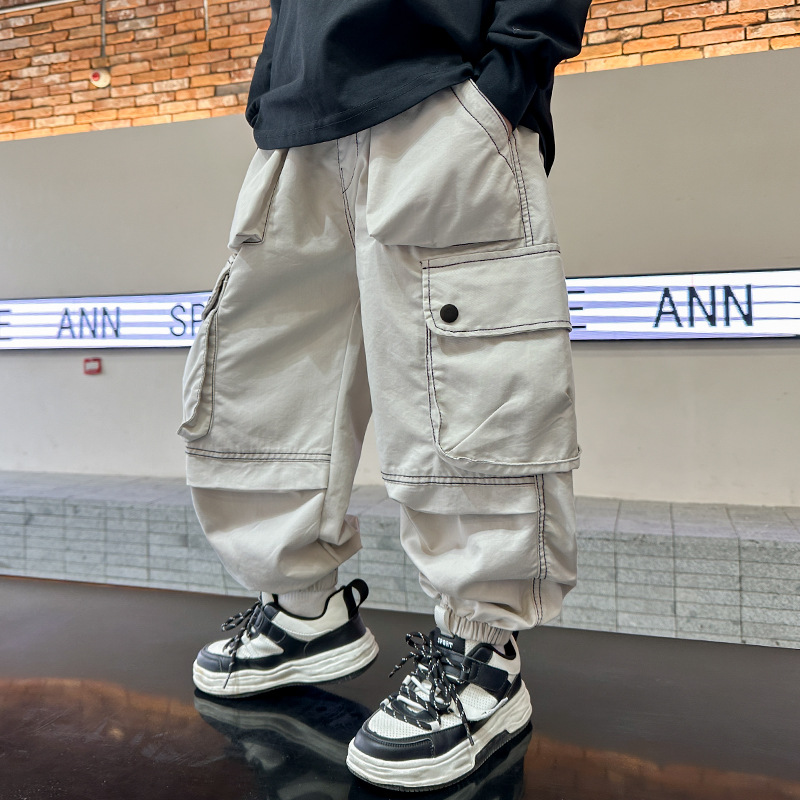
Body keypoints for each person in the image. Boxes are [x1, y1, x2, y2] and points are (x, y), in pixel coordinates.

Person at [178, 0, 590, 791]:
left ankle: (482, 654)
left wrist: (512, 74)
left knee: (463, 383)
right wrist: (272, 89)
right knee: (261, 385)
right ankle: (304, 610)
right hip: (298, 124)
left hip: (442, 91)